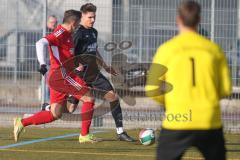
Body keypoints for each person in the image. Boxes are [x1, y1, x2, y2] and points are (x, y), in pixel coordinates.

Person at [145, 1, 232, 160]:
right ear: (199, 19)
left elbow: (152, 88)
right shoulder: (214, 50)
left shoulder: (166, 49)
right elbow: (225, 88)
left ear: (178, 19)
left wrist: (170, 102)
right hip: (208, 120)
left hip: (177, 119)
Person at [14, 9, 98, 143]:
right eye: (77, 24)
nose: (78, 27)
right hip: (62, 76)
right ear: (73, 22)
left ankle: (22, 122)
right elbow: (40, 43)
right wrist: (42, 64)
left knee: (56, 113)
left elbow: (66, 55)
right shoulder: (60, 33)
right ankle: (84, 135)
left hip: (60, 76)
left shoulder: (69, 35)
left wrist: (76, 64)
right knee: (89, 98)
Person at [70, 3, 135, 142]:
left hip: (93, 74)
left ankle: (120, 132)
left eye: (94, 17)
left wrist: (105, 66)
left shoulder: (94, 32)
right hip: (80, 76)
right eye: (90, 17)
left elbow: (95, 51)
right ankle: (50, 106)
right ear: (82, 16)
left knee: (113, 97)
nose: (93, 20)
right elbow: (70, 53)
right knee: (68, 110)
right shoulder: (78, 33)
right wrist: (76, 65)